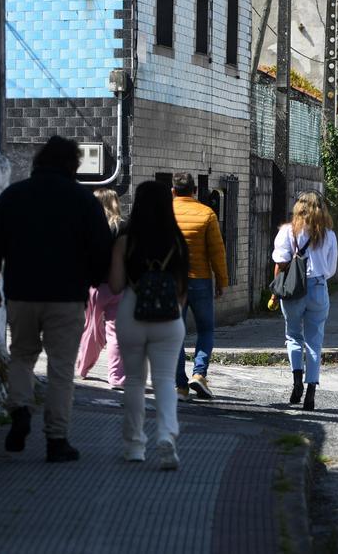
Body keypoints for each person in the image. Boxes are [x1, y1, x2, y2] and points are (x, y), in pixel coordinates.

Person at [0, 136, 113, 462]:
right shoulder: (83, 201)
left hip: (22, 294)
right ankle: (56, 439)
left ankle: (20, 408)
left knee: (21, 355)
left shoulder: (13, 196)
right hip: (66, 297)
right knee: (61, 368)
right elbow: (101, 249)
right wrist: (92, 280)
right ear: (72, 165)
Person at [110, 181, 189, 470]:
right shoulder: (177, 242)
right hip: (168, 318)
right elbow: (182, 291)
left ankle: (133, 445)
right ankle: (167, 436)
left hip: (132, 312)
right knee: (166, 381)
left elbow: (116, 285)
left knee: (133, 381)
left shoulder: (124, 241)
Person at [270, 192, 338, 410]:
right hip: (318, 286)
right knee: (315, 339)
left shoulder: (287, 232)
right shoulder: (328, 235)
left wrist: (274, 293)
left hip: (293, 289)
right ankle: (310, 391)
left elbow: (280, 263)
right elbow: (331, 269)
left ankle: (297, 380)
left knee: (293, 335)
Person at [172, 173, 229, 400]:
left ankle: (180, 387)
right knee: (206, 329)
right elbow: (217, 251)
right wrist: (222, 280)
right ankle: (199, 374)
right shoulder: (206, 214)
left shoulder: (164, 213)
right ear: (195, 191)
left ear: (173, 191)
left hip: (173, 282)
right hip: (200, 280)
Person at [75, 189, 127, 389]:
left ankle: (83, 367)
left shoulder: (90, 227)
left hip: (94, 286)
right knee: (116, 333)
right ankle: (117, 377)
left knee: (91, 329)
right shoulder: (122, 226)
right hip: (118, 286)